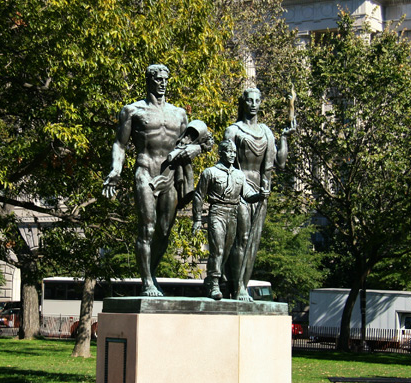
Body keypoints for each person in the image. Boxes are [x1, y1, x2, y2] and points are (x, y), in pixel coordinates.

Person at [102, 64, 212, 297]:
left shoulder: (179, 114)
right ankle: (147, 283)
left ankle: (150, 274)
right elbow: (120, 144)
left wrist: (196, 150)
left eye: (165, 79)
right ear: (149, 80)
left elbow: (200, 142)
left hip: (170, 175)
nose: (163, 83)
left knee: (164, 230)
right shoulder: (132, 111)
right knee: (148, 228)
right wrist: (115, 169)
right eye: (158, 79)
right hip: (145, 171)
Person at [223, 88, 294, 295]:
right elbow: (226, 162)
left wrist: (285, 138)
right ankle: (237, 287)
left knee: (253, 241)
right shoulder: (233, 131)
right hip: (238, 188)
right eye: (250, 100)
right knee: (242, 238)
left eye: (257, 101)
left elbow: (279, 162)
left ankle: (241, 286)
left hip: (260, 191)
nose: (253, 104)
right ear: (243, 103)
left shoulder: (266, 132)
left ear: (260, 103)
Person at [193, 140, 268, 301]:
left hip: (232, 214)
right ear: (221, 152)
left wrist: (260, 195)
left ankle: (215, 279)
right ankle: (214, 284)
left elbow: (247, 195)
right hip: (217, 212)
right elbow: (199, 195)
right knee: (218, 250)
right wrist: (197, 219)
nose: (232, 155)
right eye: (229, 152)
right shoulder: (210, 172)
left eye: (234, 152)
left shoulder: (239, 175)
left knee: (226, 252)